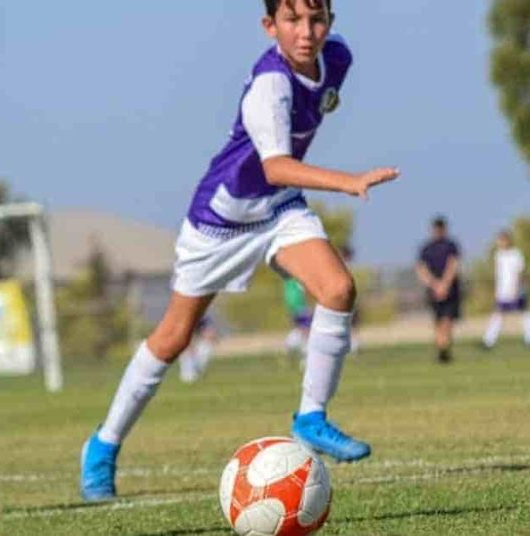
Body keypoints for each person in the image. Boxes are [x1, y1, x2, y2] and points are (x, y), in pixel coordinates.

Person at [80, 0, 399, 501]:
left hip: (279, 211)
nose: (306, 32)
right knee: (173, 337)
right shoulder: (268, 84)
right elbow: (275, 165)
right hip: (222, 220)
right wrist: (347, 182)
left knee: (338, 289)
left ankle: (312, 417)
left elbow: (290, 159)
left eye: (317, 20)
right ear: (269, 26)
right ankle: (102, 445)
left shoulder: (339, 58)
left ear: (330, 23)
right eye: (292, 21)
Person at [415, 216, 462, 364]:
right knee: (437, 321)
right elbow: (421, 269)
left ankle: (444, 349)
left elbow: (453, 265)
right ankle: (441, 350)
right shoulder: (426, 248)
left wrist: (445, 284)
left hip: (450, 290)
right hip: (433, 290)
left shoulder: (451, 246)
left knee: (447, 321)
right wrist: (434, 285)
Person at [482, 230, 530, 349]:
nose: (500, 243)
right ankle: (488, 341)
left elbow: (519, 272)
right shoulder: (498, 255)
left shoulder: (516, 254)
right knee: (498, 314)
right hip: (502, 291)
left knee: (525, 313)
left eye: (502, 240)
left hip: (515, 290)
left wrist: (516, 288)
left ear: (508, 240)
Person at [178, 315, 218, 383]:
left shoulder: (204, 319)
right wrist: (189, 346)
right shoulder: (185, 319)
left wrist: (211, 338)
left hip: (197, 345)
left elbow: (210, 334)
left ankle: (199, 372)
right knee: (186, 353)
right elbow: (184, 336)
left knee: (206, 347)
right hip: (186, 346)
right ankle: (189, 374)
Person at [283, 277, 312, 356]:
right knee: (305, 327)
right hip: (298, 304)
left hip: (294, 303)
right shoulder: (296, 277)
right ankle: (304, 347)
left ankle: (293, 345)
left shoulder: (289, 281)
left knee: (303, 327)